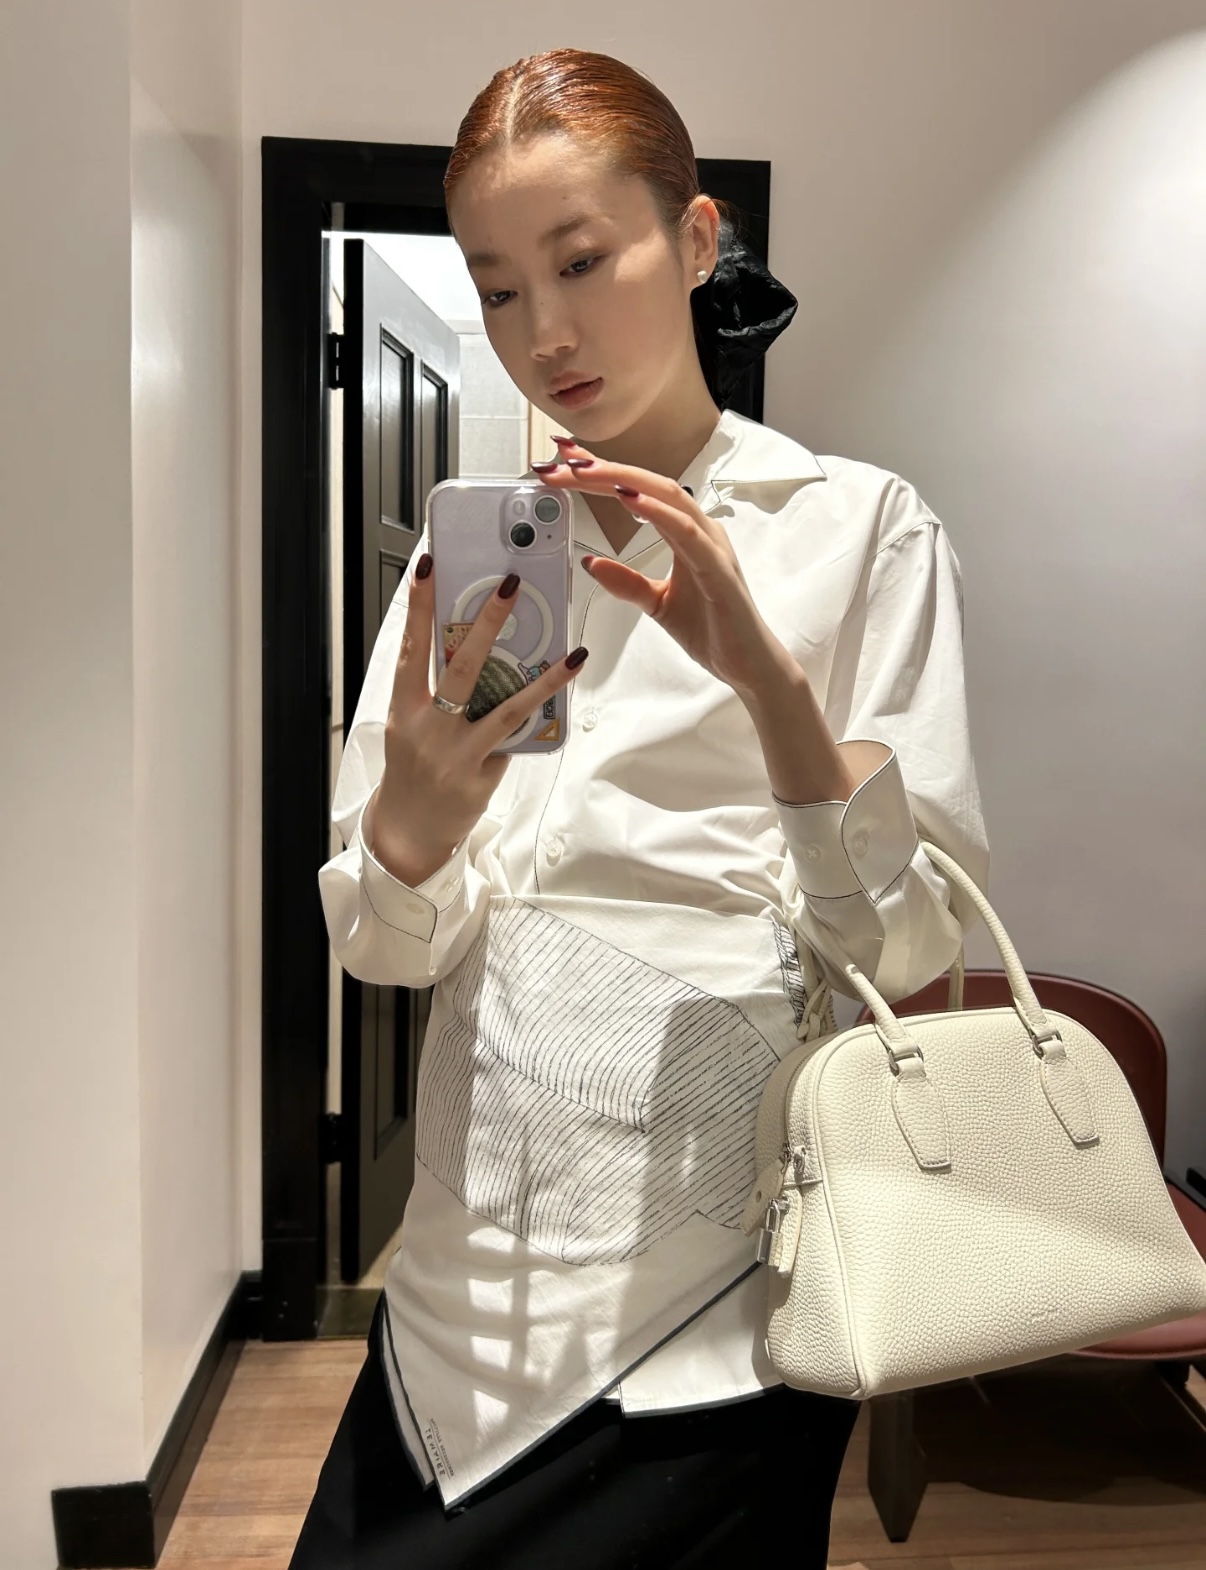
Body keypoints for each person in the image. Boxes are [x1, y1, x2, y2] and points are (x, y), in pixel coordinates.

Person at [294, 45, 989, 1570]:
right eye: (494, 288)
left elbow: (912, 949)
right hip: (455, 1298)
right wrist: (410, 826)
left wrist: (774, 698)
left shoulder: (856, 531)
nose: (541, 332)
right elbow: (389, 951)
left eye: (579, 260)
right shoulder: (464, 572)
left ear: (693, 239)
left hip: (710, 1309)